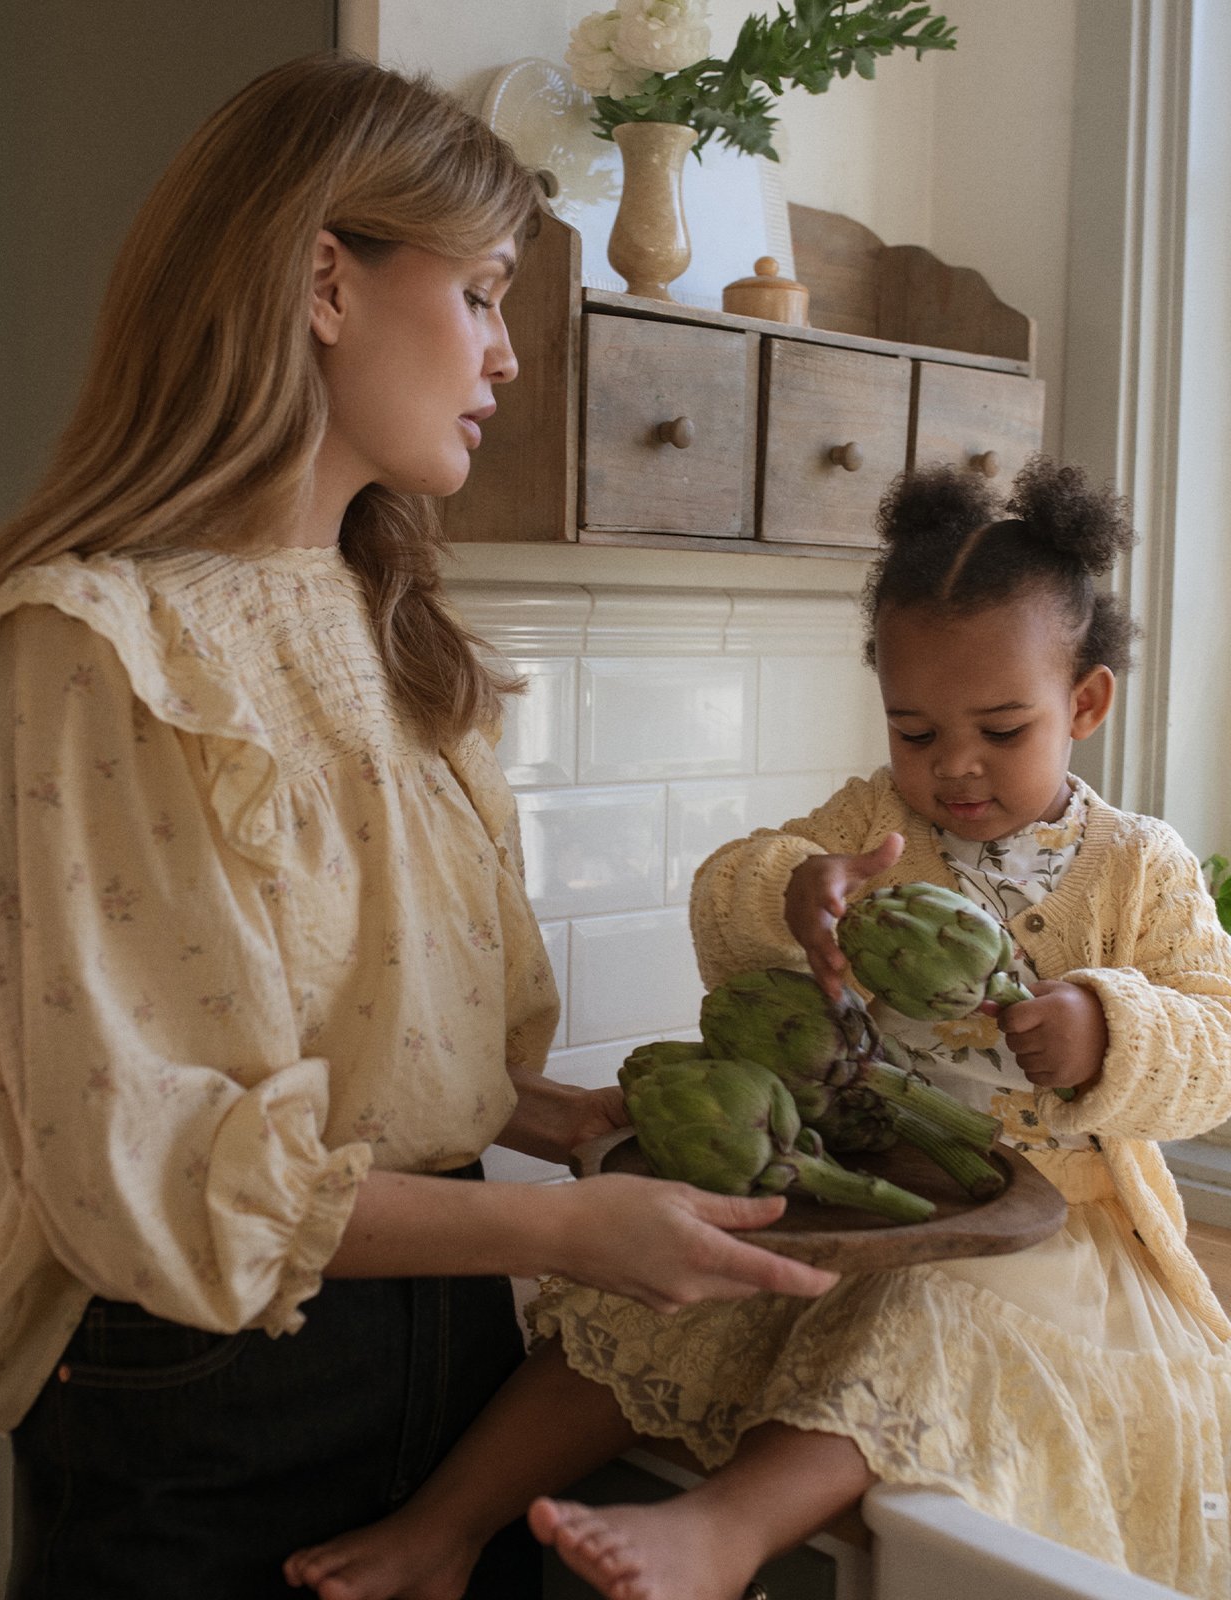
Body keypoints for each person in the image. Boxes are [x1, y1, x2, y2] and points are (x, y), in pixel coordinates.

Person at [0, 52, 839, 1600]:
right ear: (322, 281)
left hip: (447, 1353)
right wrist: (571, 1232)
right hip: (204, 1394)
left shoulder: (390, 629)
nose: (507, 354)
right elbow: (142, 1164)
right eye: (486, 293)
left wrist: (565, 1124)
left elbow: (373, 1053)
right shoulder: (90, 646)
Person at [281, 455, 1231, 1600]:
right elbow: (731, 889)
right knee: (654, 1300)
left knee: (934, 1321)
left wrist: (1106, 1027)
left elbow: (1216, 1040)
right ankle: (447, 1523)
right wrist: (793, 889)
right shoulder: (870, 820)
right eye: (914, 731)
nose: (953, 766)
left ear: (1083, 701)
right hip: (855, 1184)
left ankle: (720, 1532)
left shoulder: (1138, 866)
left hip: (1043, 1241)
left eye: (998, 727)